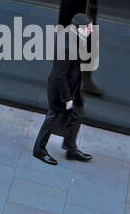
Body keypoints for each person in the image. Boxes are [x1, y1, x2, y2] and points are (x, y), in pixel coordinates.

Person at [32, 13, 95, 165]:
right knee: (53, 117)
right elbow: (59, 76)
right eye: (89, 28)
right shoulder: (67, 46)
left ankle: (70, 148)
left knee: (77, 114)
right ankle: (39, 150)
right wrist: (67, 98)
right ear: (79, 28)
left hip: (71, 88)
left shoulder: (74, 35)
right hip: (60, 90)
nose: (92, 30)